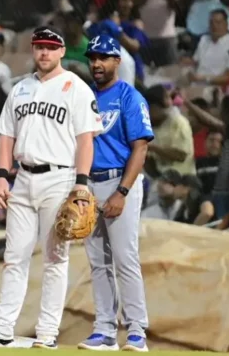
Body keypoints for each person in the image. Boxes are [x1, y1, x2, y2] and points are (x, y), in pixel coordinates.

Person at [0, 26, 101, 349]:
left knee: (55, 258)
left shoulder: (76, 88)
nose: (44, 52)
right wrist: (1, 175)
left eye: (51, 47)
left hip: (60, 178)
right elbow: (6, 136)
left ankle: (47, 333)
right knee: (14, 256)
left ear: (62, 51)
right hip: (23, 178)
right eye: (39, 46)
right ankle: (2, 327)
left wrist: (81, 185)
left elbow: (86, 141)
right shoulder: (21, 88)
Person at [76, 35, 153, 352]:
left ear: (117, 61)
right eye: (92, 57)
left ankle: (136, 330)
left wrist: (122, 192)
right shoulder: (84, 96)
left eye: (103, 57)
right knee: (98, 261)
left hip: (119, 180)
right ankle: (105, 330)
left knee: (124, 258)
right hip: (89, 184)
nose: (96, 63)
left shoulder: (129, 97)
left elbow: (140, 148)